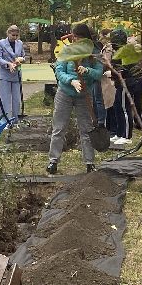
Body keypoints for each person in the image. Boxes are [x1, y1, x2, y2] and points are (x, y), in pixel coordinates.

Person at [46, 22, 103, 176]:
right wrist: (71, 80)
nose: (76, 40)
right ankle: (53, 161)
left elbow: (99, 73)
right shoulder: (67, 50)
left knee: (86, 129)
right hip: (65, 93)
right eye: (74, 37)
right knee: (59, 128)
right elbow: (59, 71)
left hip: (84, 95)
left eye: (79, 38)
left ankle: (90, 163)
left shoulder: (94, 52)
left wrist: (87, 70)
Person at [103, 28, 138, 145]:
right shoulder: (118, 51)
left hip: (126, 83)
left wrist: (112, 73)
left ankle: (127, 135)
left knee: (124, 109)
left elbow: (125, 69)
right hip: (119, 83)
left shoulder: (126, 51)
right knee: (117, 107)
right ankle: (119, 133)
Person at [0, 25, 29, 123]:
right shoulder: (0, 43)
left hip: (16, 74)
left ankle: (15, 120)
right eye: (13, 35)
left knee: (16, 100)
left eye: (16, 35)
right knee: (4, 99)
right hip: (5, 74)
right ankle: (3, 121)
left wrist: (21, 59)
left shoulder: (20, 43)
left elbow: (23, 56)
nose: (15, 37)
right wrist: (8, 64)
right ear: (8, 34)